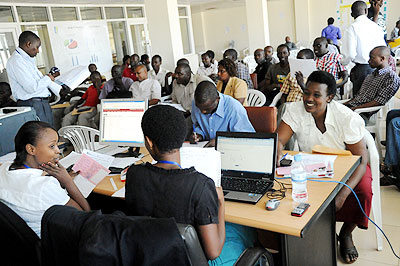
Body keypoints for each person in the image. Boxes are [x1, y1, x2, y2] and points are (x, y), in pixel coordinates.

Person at [125, 105, 257, 264]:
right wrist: (221, 203)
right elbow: (213, 252)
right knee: (245, 231)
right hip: (190, 260)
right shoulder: (200, 185)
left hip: (152, 257)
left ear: (149, 141)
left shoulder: (134, 174)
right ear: (182, 139)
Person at [277, 71, 371, 264]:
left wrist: (344, 193)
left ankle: (345, 234)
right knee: (282, 187)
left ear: (329, 97)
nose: (309, 99)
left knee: (362, 191)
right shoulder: (295, 110)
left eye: (316, 95)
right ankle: (304, 232)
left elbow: (362, 159)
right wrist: (277, 152)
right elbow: (278, 141)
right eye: (306, 93)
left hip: (346, 166)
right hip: (310, 166)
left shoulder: (346, 117)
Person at [0, 121, 90, 237]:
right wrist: (67, 181)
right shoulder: (44, 186)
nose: (58, 151)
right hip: (53, 244)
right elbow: (86, 216)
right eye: (52, 146)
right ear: (31, 149)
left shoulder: (4, 168)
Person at [6, 31, 64, 126]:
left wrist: (58, 88)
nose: (37, 51)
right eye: (37, 47)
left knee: (49, 134)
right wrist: (48, 78)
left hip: (40, 104)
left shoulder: (27, 60)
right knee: (41, 137)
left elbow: (39, 79)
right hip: (33, 104)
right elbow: (31, 87)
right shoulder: (17, 61)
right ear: (28, 44)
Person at [190, 81, 255, 148]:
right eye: (199, 108)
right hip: (206, 151)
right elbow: (198, 125)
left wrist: (221, 141)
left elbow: (246, 137)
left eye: (207, 108)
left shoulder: (234, 108)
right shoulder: (195, 104)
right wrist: (199, 135)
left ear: (217, 99)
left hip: (230, 150)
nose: (202, 112)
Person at [341, 1, 386, 96]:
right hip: (377, 69)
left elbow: (350, 54)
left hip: (361, 70)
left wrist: (343, 63)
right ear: (366, 11)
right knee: (373, 98)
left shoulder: (351, 28)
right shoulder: (376, 27)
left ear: (352, 14)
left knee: (359, 101)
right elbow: (383, 48)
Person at [344, 46, 400, 118]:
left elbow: (378, 102)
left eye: (372, 58)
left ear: (382, 59)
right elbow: (358, 97)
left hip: (362, 112)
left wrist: (354, 109)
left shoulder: (391, 77)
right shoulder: (371, 75)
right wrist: (344, 105)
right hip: (353, 107)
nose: (368, 61)